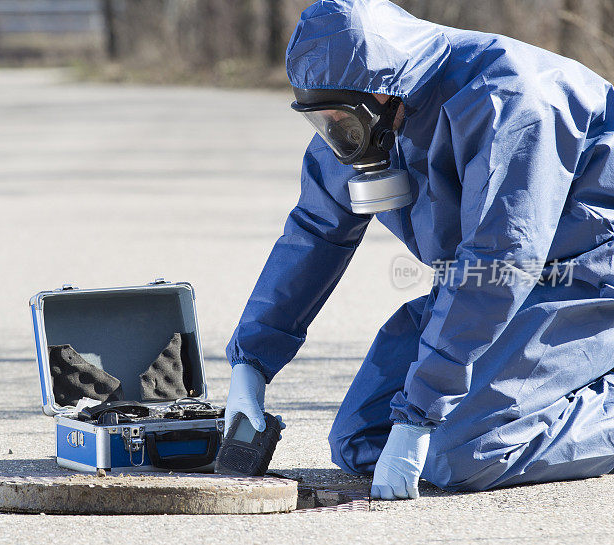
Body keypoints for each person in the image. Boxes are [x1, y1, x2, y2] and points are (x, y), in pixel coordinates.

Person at [223, 0, 614, 500]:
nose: (337, 137)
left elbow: (501, 259)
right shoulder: (359, 111)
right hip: (490, 284)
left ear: (388, 93)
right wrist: (251, 364)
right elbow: (315, 234)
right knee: (360, 441)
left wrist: (421, 413)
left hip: (585, 276)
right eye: (322, 121)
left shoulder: (510, 100)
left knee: (463, 451)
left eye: (343, 120)